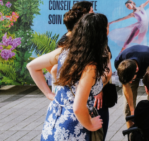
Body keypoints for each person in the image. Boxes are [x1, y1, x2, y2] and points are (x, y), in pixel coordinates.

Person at [28, 13, 110, 141]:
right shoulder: (91, 66)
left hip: (54, 118)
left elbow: (32, 66)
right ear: (101, 33)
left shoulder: (66, 51)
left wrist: (49, 94)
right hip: (75, 125)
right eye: (107, 27)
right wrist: (90, 124)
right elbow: (78, 107)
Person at [115, 44, 149, 127]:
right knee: (128, 109)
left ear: (137, 70)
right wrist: (132, 110)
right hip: (132, 67)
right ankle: (131, 135)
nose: (130, 82)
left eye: (131, 80)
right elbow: (126, 85)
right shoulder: (120, 61)